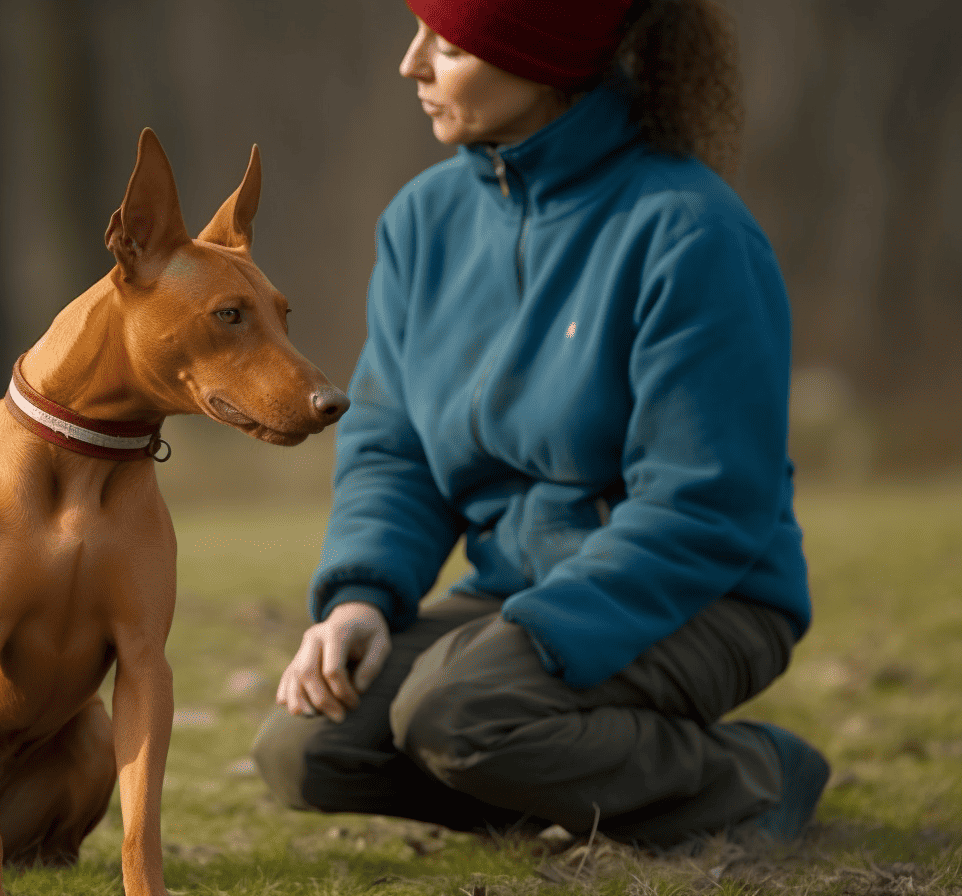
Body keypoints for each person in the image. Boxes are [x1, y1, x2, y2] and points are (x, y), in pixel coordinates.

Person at [252, 0, 830, 849]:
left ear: (546, 60)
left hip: (707, 596)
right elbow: (394, 449)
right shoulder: (422, 222)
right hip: (516, 592)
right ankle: (567, 775)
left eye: (447, 46)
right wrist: (362, 600)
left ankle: (753, 775)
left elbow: (705, 506)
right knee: (306, 750)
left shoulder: (689, 230)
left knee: (459, 713)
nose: (409, 65)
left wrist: (537, 636)